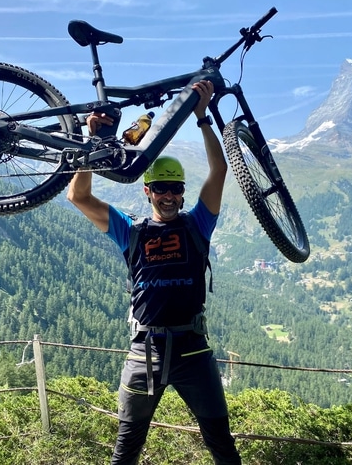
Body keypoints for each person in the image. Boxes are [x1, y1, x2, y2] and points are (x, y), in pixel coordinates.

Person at [67, 80, 241, 465]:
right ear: (147, 191)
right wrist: (91, 142)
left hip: (194, 350)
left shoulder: (197, 225)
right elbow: (78, 196)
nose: (168, 195)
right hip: (144, 352)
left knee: (221, 443)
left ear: (182, 191)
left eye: (175, 188)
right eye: (160, 187)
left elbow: (219, 170)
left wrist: (202, 117)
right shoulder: (130, 230)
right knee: (126, 449)